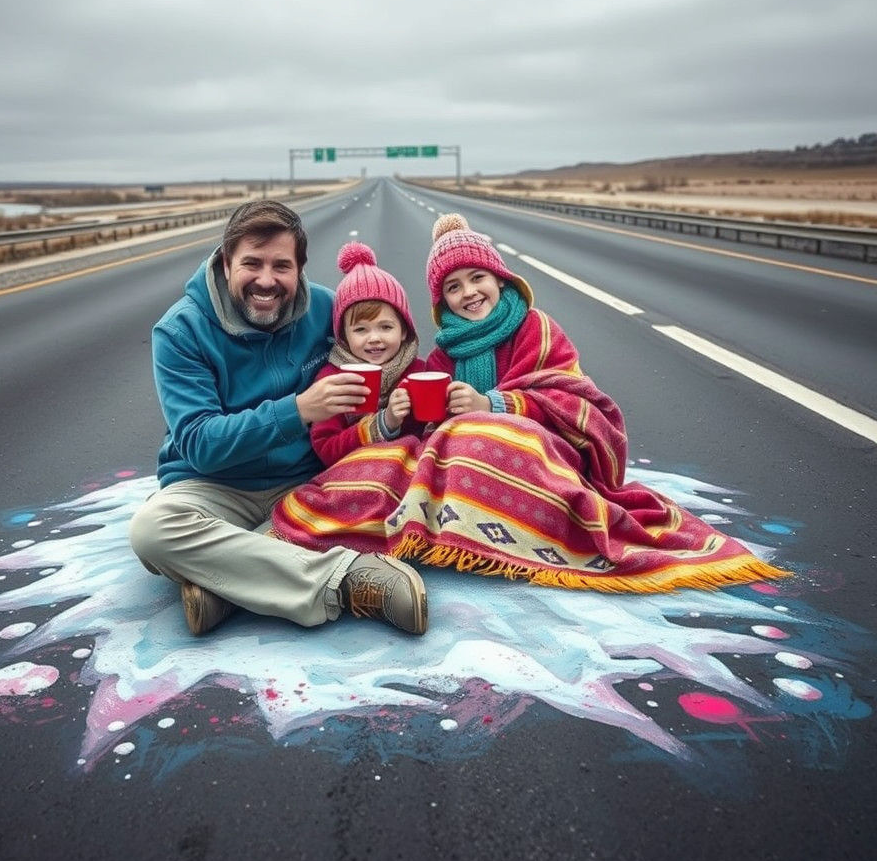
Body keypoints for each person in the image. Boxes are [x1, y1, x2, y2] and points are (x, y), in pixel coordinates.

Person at [272, 213, 788, 595]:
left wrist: (492, 403)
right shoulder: (441, 353)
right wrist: (415, 419)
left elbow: (580, 405)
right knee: (413, 458)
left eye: (477, 278)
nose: (469, 293)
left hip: (545, 452)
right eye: (453, 287)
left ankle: (510, 524)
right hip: (471, 456)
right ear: (440, 302)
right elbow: (416, 437)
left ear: (500, 279)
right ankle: (453, 529)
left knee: (475, 434)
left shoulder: (537, 330)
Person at [128, 199, 427, 637]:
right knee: (152, 531)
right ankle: (349, 581)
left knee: (401, 473)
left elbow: (388, 342)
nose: (266, 281)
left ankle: (225, 588)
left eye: (281, 266)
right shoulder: (180, 331)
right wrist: (301, 409)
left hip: (309, 482)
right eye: (252, 263)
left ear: (300, 269)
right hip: (216, 487)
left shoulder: (327, 311)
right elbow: (201, 445)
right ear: (226, 262)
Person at [308, 241, 427, 467]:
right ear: (343, 336)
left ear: (404, 331)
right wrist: (385, 421)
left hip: (410, 473)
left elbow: (434, 435)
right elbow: (326, 449)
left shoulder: (419, 372)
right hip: (354, 476)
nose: (374, 338)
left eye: (386, 327)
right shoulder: (332, 380)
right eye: (361, 329)